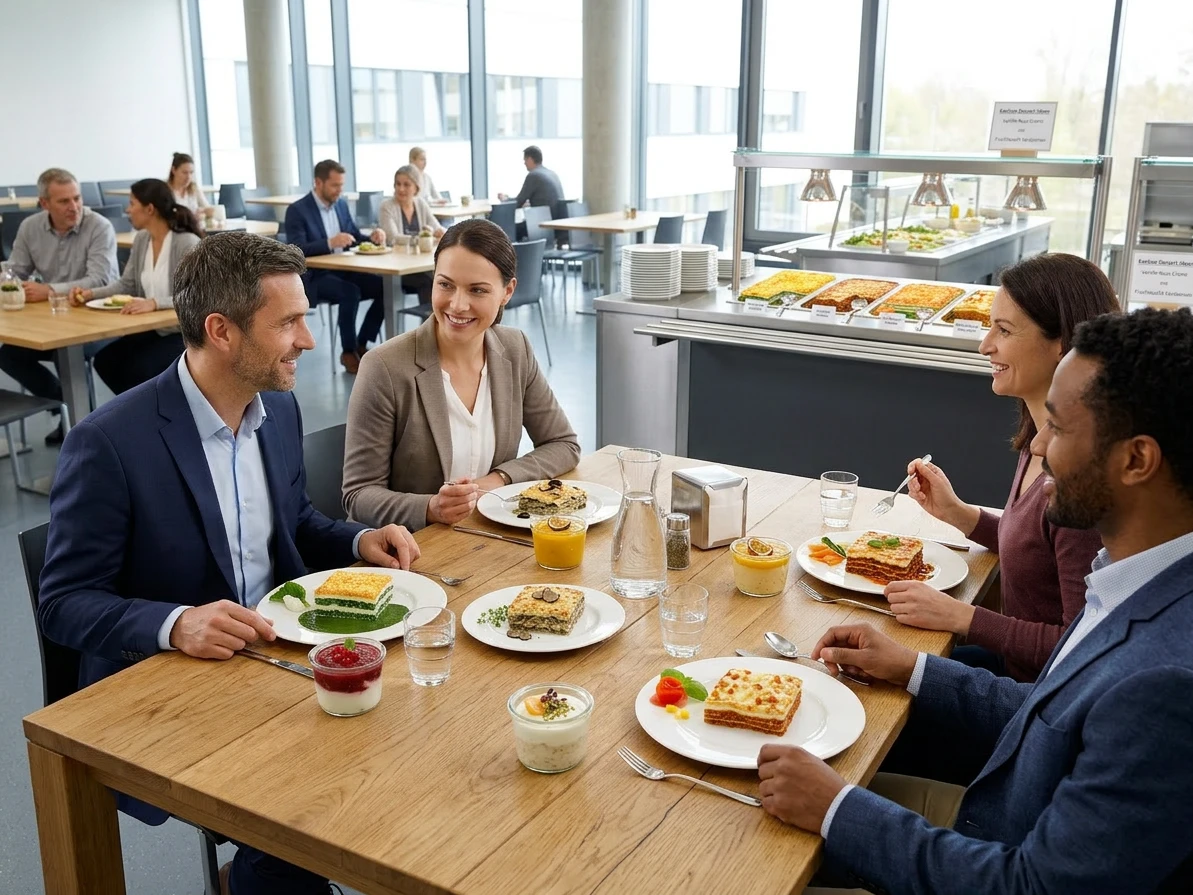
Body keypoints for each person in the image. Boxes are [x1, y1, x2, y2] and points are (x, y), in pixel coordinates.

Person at [759, 308, 1193, 895]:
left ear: (1136, 460)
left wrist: (837, 808)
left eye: (1058, 429)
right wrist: (911, 667)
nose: (1038, 444)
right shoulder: (1132, 574)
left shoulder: (1166, 684)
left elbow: (1033, 888)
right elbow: (1050, 712)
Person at [38, 230, 421, 895]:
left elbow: (293, 521)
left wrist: (357, 540)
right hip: (181, 688)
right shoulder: (108, 444)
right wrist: (175, 622)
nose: (308, 340)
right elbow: (63, 602)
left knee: (415, 745)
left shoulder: (278, 405)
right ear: (221, 330)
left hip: (281, 660)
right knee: (309, 818)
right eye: (289, 323)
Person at [890, 253, 1114, 684]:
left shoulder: (1080, 477)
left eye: (1004, 330)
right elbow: (1036, 549)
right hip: (1013, 672)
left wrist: (965, 618)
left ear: (1062, 345)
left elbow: (1078, 646)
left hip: (1033, 700)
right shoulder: (1040, 432)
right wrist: (959, 514)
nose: (985, 344)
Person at [342, 218, 580, 531]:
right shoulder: (384, 367)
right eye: (445, 285)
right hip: (413, 547)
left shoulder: (515, 349)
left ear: (507, 291)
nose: (457, 304)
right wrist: (430, 507)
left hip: (486, 536)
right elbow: (358, 496)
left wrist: (499, 480)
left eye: (477, 290)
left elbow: (564, 444)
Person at [0, 167, 118, 444]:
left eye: (77, 198)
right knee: (7, 355)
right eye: (64, 201)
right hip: (52, 318)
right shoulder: (30, 228)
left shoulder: (99, 226)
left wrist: (50, 290)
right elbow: (16, 269)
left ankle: (84, 426)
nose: (74, 206)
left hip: (99, 318)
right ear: (44, 204)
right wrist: (8, 279)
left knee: (64, 354)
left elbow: (100, 278)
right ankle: (67, 408)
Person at [70, 178, 202, 394]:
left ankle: (153, 413)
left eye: (132, 204)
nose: (127, 210)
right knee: (105, 361)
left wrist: (154, 303)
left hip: (181, 332)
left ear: (149, 209)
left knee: (139, 369)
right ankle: (142, 413)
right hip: (151, 329)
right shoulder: (142, 239)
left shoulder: (186, 242)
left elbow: (196, 296)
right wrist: (90, 294)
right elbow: (127, 284)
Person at [284, 159, 388, 374]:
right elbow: (296, 249)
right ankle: (348, 352)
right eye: (335, 185)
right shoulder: (298, 210)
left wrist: (373, 238)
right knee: (350, 292)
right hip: (316, 276)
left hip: (346, 269)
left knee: (383, 287)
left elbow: (353, 236)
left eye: (341, 185)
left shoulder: (341, 204)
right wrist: (330, 243)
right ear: (318, 183)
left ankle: (361, 342)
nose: (340, 190)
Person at [378, 165, 444, 306]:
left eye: (406, 185)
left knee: (441, 280)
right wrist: (423, 239)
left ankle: (439, 325)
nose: (401, 189)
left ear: (416, 188)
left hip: (419, 265)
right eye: (398, 184)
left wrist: (441, 233)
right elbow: (393, 238)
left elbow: (437, 227)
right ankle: (430, 326)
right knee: (429, 282)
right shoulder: (387, 206)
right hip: (397, 269)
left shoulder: (420, 203)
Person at [497, 145, 564, 208]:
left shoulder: (534, 175)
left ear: (530, 159)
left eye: (525, 160)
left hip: (543, 218)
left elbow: (519, 201)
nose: (524, 163)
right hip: (556, 217)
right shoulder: (552, 174)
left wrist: (505, 200)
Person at [166, 152, 211, 217]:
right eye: (185, 173)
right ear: (174, 170)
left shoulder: (194, 188)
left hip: (194, 225)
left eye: (191, 172)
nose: (188, 177)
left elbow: (208, 209)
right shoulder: (165, 190)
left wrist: (203, 211)